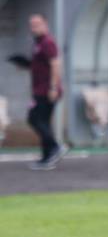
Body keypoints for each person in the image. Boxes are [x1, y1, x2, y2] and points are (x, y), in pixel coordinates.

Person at [19, 14, 67, 170]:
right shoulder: (37, 43)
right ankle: (47, 158)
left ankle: (55, 147)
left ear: (45, 24)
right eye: (32, 25)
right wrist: (25, 64)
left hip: (47, 90)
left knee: (34, 118)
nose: (34, 27)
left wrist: (53, 87)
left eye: (37, 24)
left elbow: (55, 64)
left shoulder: (48, 42)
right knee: (43, 122)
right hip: (39, 88)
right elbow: (39, 66)